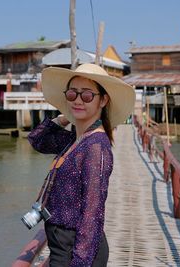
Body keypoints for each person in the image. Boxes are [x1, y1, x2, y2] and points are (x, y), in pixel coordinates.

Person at [28, 63, 135, 266]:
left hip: (75, 250)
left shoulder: (95, 147)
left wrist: (80, 262)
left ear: (103, 100)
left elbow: (92, 213)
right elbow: (36, 140)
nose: (78, 100)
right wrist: (61, 119)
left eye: (86, 95)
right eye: (72, 94)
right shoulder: (74, 139)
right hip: (62, 245)